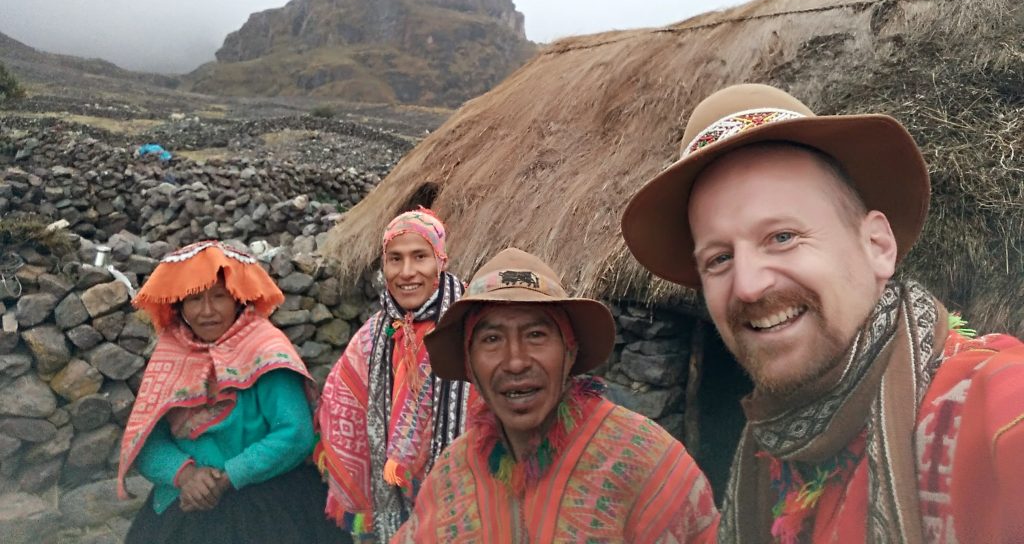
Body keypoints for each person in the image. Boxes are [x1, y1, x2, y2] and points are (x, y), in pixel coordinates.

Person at [620, 82, 1024, 543]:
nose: (749, 286)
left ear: (877, 246)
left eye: (783, 237)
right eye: (719, 259)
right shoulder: (772, 450)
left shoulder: (991, 411)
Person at [394, 247, 719, 543]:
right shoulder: (451, 475)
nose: (516, 361)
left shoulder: (645, 459)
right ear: (469, 364)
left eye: (536, 335)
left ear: (570, 351)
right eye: (491, 339)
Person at [116, 239, 344, 544]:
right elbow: (146, 439)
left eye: (219, 296)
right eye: (194, 299)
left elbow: (295, 433)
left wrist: (227, 477)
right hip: (186, 501)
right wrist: (185, 477)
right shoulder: (170, 357)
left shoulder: (266, 350)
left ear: (238, 299)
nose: (207, 311)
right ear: (179, 305)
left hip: (268, 505)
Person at [315, 207, 471, 543]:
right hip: (393, 507)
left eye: (420, 257)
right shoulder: (373, 337)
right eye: (395, 259)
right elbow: (340, 399)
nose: (407, 272)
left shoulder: (471, 325)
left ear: (440, 260)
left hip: (470, 499)